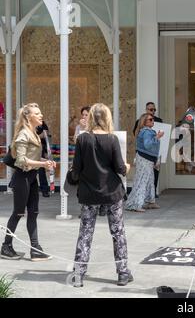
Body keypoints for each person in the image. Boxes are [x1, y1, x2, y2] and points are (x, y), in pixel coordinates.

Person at [70, 103, 132, 287]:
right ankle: (122, 273)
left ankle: (79, 274)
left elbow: (76, 169)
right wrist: (128, 167)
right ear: (107, 118)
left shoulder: (82, 139)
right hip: (112, 192)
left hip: (89, 193)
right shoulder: (112, 139)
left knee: (85, 233)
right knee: (117, 233)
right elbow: (120, 168)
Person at [0, 103, 55, 261]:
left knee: (34, 213)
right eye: (37, 113)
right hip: (22, 178)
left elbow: (34, 158)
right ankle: (6, 247)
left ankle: (35, 248)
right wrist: (43, 164)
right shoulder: (24, 134)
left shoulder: (34, 133)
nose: (40, 115)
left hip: (31, 178)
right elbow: (22, 161)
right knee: (18, 213)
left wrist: (46, 161)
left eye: (40, 112)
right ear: (28, 117)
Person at [126, 113, 164, 212]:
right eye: (150, 120)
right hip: (145, 158)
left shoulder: (146, 131)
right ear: (144, 122)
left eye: (152, 119)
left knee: (150, 180)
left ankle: (150, 201)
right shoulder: (147, 132)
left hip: (146, 158)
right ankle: (136, 204)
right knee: (142, 181)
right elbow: (148, 145)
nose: (153, 121)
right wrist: (157, 137)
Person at [133, 102, 163, 198]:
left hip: (154, 153)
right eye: (151, 109)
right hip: (145, 155)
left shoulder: (159, 121)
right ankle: (139, 200)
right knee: (143, 177)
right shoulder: (142, 124)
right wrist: (156, 137)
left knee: (153, 176)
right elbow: (143, 140)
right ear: (146, 110)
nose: (153, 112)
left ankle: (151, 197)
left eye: (154, 110)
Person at [36, 121, 50, 197]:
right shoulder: (28, 124)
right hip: (31, 149)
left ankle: (44, 190)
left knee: (41, 170)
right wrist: (39, 136)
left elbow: (46, 134)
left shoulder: (42, 123)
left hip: (41, 149)